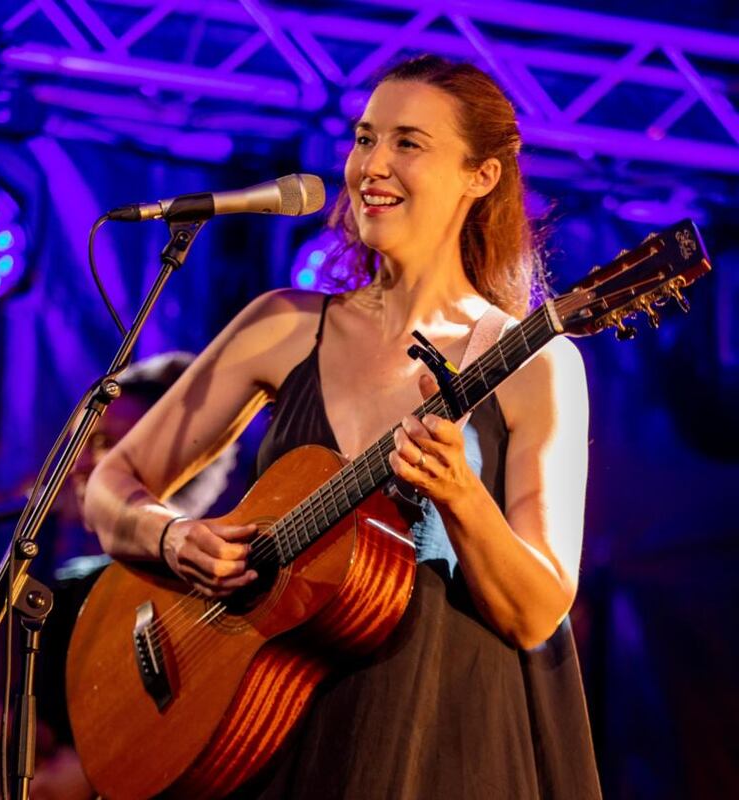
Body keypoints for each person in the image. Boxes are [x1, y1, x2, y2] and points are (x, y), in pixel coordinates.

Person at [84, 55, 600, 799]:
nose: (371, 166)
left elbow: (538, 611)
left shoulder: (537, 363)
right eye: (364, 139)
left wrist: (462, 494)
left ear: (480, 176)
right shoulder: (282, 327)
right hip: (267, 727)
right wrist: (171, 537)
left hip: (441, 735)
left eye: (408, 143)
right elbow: (111, 484)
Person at [0, 351, 239, 800]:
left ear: (184, 462)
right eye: (83, 443)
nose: (79, 466)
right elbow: (55, 749)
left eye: (106, 446)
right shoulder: (73, 587)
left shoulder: (218, 582)